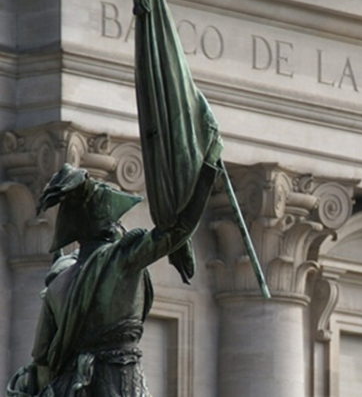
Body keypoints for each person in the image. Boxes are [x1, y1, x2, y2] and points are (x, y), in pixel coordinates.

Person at [5, 162, 217, 397]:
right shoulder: (120, 259)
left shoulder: (56, 283)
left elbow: (42, 357)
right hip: (120, 381)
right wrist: (203, 175)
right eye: (117, 220)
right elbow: (177, 230)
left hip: (74, 388)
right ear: (108, 226)